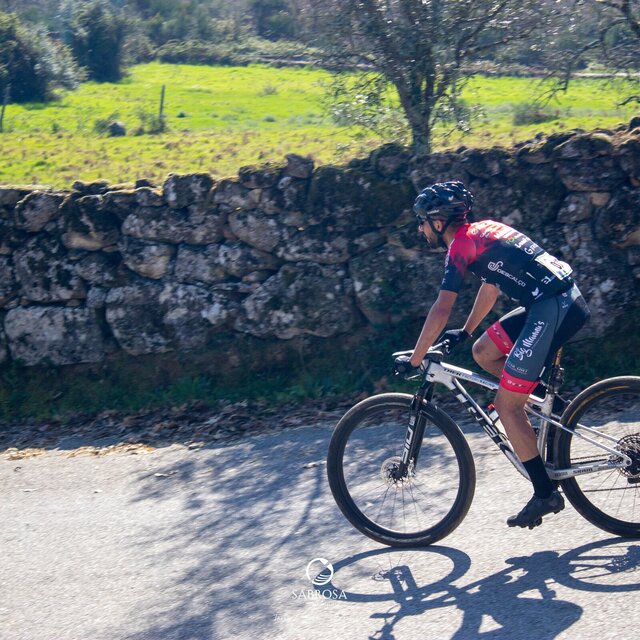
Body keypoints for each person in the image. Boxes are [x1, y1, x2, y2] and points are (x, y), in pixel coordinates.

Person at [394, 181, 590, 529]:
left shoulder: (460, 245)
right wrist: (466, 331)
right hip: (554, 300)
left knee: (506, 405)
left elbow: (441, 308)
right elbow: (491, 285)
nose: (420, 229)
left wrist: (415, 358)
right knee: (484, 351)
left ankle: (544, 492)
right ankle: (555, 410)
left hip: (553, 306)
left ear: (438, 222)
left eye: (421, 222)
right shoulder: (483, 231)